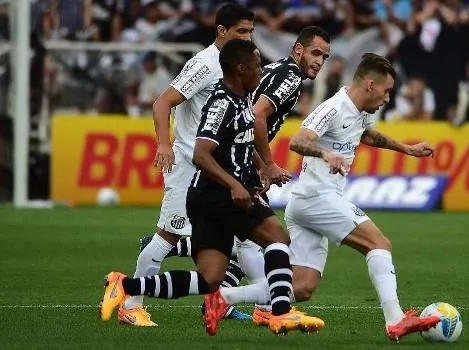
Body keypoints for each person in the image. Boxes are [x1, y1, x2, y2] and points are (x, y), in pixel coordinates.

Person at [204, 53, 441, 341]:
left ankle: (224, 297)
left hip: (309, 204)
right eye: (386, 90)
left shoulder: (359, 111)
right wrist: (325, 152)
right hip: (316, 196)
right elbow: (299, 141)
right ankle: (395, 320)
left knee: (302, 285)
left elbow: (366, 135)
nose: (387, 98)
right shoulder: (334, 107)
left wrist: (408, 149)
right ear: (369, 85)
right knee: (379, 243)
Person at [99, 39, 325, 337]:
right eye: (258, 66)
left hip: (221, 192)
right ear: (240, 69)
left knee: (210, 279)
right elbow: (200, 153)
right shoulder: (222, 104)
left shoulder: (241, 99)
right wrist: (235, 184)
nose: (262, 72)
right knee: (277, 238)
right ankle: (279, 313)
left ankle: (125, 285)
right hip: (218, 194)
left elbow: (243, 144)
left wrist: (260, 169)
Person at [120, 4, 255, 327]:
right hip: (190, 167)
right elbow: (162, 102)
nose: (249, 38)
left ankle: (219, 302)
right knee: (166, 236)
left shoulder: (236, 66)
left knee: (236, 238)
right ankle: (130, 303)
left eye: (251, 32)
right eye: (241, 32)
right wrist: (165, 144)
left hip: (216, 169)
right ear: (221, 31)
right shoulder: (205, 64)